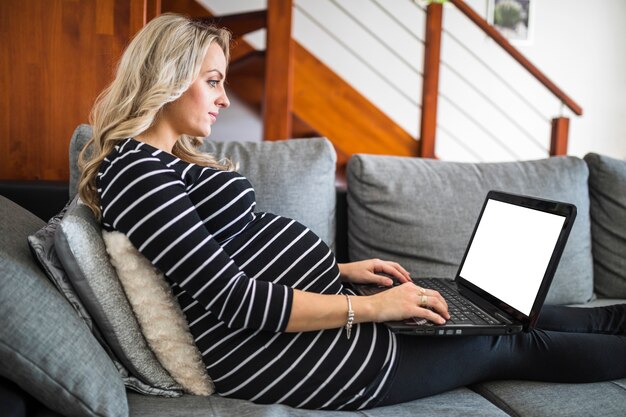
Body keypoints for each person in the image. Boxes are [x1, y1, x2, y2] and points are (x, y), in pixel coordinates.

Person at [78, 13, 626, 411]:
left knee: (517, 312)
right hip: (298, 356)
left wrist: (345, 272)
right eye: (213, 81)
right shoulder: (138, 171)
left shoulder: (162, 162)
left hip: (319, 326)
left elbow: (225, 253)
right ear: (166, 78)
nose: (223, 98)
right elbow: (234, 300)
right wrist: (376, 308)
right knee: (509, 341)